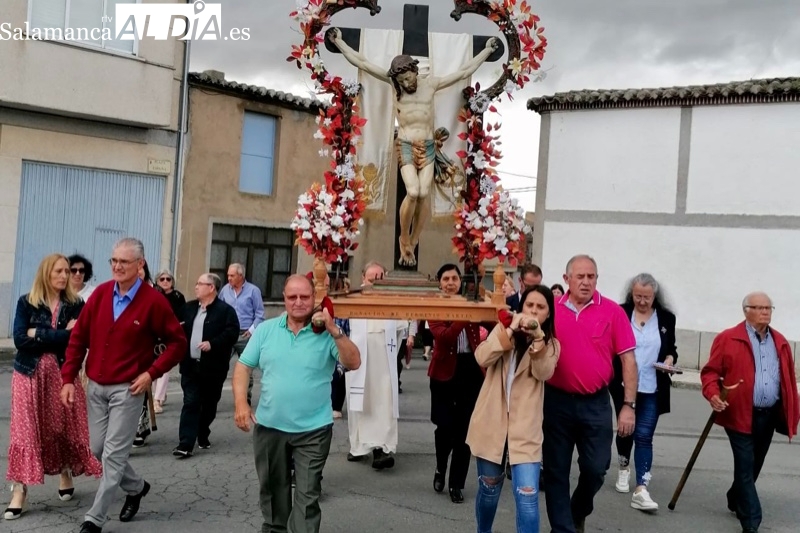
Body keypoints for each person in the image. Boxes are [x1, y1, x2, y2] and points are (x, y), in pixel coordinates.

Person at [330, 27, 499, 267]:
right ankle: (403, 237)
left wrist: (485, 51)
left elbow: (463, 71)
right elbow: (363, 62)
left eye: (408, 78)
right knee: (414, 191)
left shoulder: (431, 85)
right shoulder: (393, 84)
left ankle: (413, 241)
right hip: (407, 144)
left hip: (428, 145)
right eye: (401, 81)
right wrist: (339, 43)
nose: (406, 83)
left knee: (424, 195)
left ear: (414, 72)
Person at [60, 237, 187, 533]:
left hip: (128, 389)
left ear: (139, 264)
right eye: (113, 261)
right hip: (96, 386)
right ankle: (136, 486)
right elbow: (78, 339)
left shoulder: (154, 302)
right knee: (97, 449)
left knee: (114, 454)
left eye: (124, 262)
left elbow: (177, 343)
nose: (117, 266)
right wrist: (67, 378)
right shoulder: (101, 295)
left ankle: (95, 518)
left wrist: (150, 374)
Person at [233, 274, 360, 533]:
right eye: (293, 297)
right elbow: (243, 367)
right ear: (284, 299)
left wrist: (335, 330)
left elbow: (353, 362)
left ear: (315, 298)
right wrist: (241, 404)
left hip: (313, 431)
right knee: (273, 493)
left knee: (307, 494)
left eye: (305, 296)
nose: (299, 302)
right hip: (270, 428)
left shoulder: (327, 334)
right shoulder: (267, 330)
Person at [4, 254, 102, 521]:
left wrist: (40, 332)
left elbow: (79, 339)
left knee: (60, 427)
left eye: (67, 271)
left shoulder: (75, 304)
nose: (64, 275)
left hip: (62, 374)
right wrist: (58, 335)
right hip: (29, 375)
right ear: (46, 273)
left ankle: (65, 471)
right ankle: (19, 492)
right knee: (25, 432)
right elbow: (21, 340)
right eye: (58, 271)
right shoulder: (27, 301)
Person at [544, 255, 637, 533]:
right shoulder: (551, 310)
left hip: (595, 404)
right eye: (580, 277)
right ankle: (563, 528)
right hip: (557, 401)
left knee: (596, 468)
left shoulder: (612, 311)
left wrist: (628, 405)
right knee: (556, 470)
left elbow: (628, 360)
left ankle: (578, 511)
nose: (586, 282)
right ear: (566, 279)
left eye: (591, 276)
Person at [700, 292, 799, 533]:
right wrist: (713, 394)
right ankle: (751, 522)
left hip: (768, 414)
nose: (766, 312)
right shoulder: (728, 339)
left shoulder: (781, 342)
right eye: (760, 307)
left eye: (769, 308)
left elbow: (787, 378)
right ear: (746, 310)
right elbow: (710, 373)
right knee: (745, 465)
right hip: (739, 413)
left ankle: (735, 497)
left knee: (755, 465)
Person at [468, 285, 561, 533]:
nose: (533, 311)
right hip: (492, 424)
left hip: (526, 431)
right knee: (488, 490)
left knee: (528, 498)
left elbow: (544, 372)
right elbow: (481, 357)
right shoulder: (503, 331)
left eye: (541, 308)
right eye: (529, 305)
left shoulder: (550, 344)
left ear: (548, 314)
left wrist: (538, 340)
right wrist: (509, 329)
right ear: (521, 307)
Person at [609, 273, 679, 512]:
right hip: (623, 385)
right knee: (625, 430)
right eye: (638, 296)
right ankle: (623, 466)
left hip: (652, 385)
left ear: (655, 296)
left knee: (644, 435)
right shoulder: (620, 312)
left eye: (647, 297)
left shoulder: (666, 318)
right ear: (632, 293)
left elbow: (671, 349)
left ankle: (641, 486)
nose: (642, 301)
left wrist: (669, 359)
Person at [428, 263, 491, 504]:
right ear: (439, 282)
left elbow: (492, 324)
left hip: (470, 371)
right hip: (443, 373)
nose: (451, 282)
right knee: (444, 428)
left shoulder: (472, 301)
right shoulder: (434, 306)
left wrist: (482, 306)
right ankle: (440, 468)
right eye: (446, 278)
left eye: (455, 278)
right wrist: (466, 314)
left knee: (466, 431)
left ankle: (457, 483)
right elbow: (444, 337)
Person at [346, 262, 407, 469]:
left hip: (383, 362)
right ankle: (359, 446)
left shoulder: (392, 300)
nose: (374, 281)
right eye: (371, 277)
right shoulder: (353, 299)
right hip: (358, 360)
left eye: (379, 277)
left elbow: (400, 329)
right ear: (363, 277)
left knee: (383, 403)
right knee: (360, 402)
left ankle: (382, 449)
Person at [173, 273, 239, 458]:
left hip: (213, 367)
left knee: (209, 404)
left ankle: (202, 432)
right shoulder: (188, 308)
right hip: (190, 365)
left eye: (200, 284)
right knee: (191, 402)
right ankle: (185, 444)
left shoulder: (225, 310)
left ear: (212, 288)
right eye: (196, 283)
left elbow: (232, 333)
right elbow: (176, 327)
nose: (196, 287)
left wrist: (213, 343)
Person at [220, 262, 265, 406]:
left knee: (246, 367)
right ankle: (212, 398)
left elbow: (260, 314)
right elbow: (218, 309)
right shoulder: (225, 290)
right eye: (228, 275)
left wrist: (252, 330)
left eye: (232, 275)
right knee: (219, 365)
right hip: (227, 333)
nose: (229, 278)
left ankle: (246, 398)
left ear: (241, 276)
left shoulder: (253, 291)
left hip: (245, 334)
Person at [153, 268, 186, 414]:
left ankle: (157, 399)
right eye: (162, 279)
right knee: (152, 366)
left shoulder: (178, 296)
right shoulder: (153, 295)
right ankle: (157, 394)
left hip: (170, 335)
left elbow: (182, 316)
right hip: (153, 335)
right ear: (157, 281)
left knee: (164, 368)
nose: (165, 282)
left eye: (168, 279)